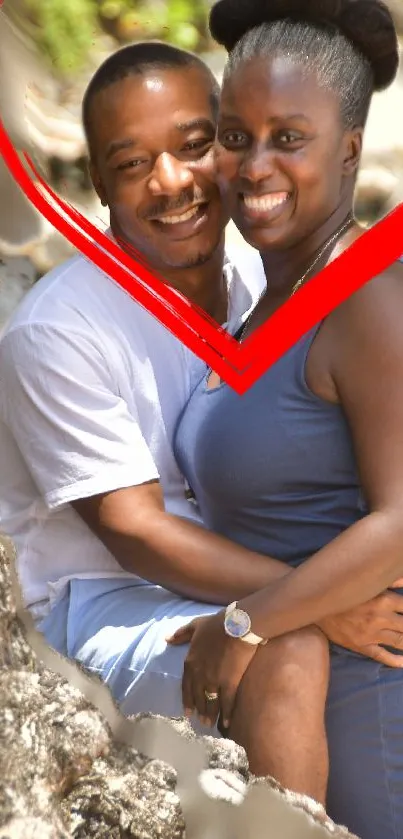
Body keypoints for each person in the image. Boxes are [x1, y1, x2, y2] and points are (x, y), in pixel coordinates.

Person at [0, 35, 402, 812]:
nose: (171, 181)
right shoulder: (59, 330)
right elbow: (136, 533)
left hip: (239, 582)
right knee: (285, 648)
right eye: (131, 164)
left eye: (195, 145)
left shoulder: (262, 275)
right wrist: (305, 601)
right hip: (105, 599)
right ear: (100, 187)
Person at [172, 1, 403, 836]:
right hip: (297, 719)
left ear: (348, 149)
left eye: (288, 138)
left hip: (374, 720)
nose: (253, 165)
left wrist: (244, 623)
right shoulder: (264, 302)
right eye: (234, 136)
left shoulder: (367, 295)